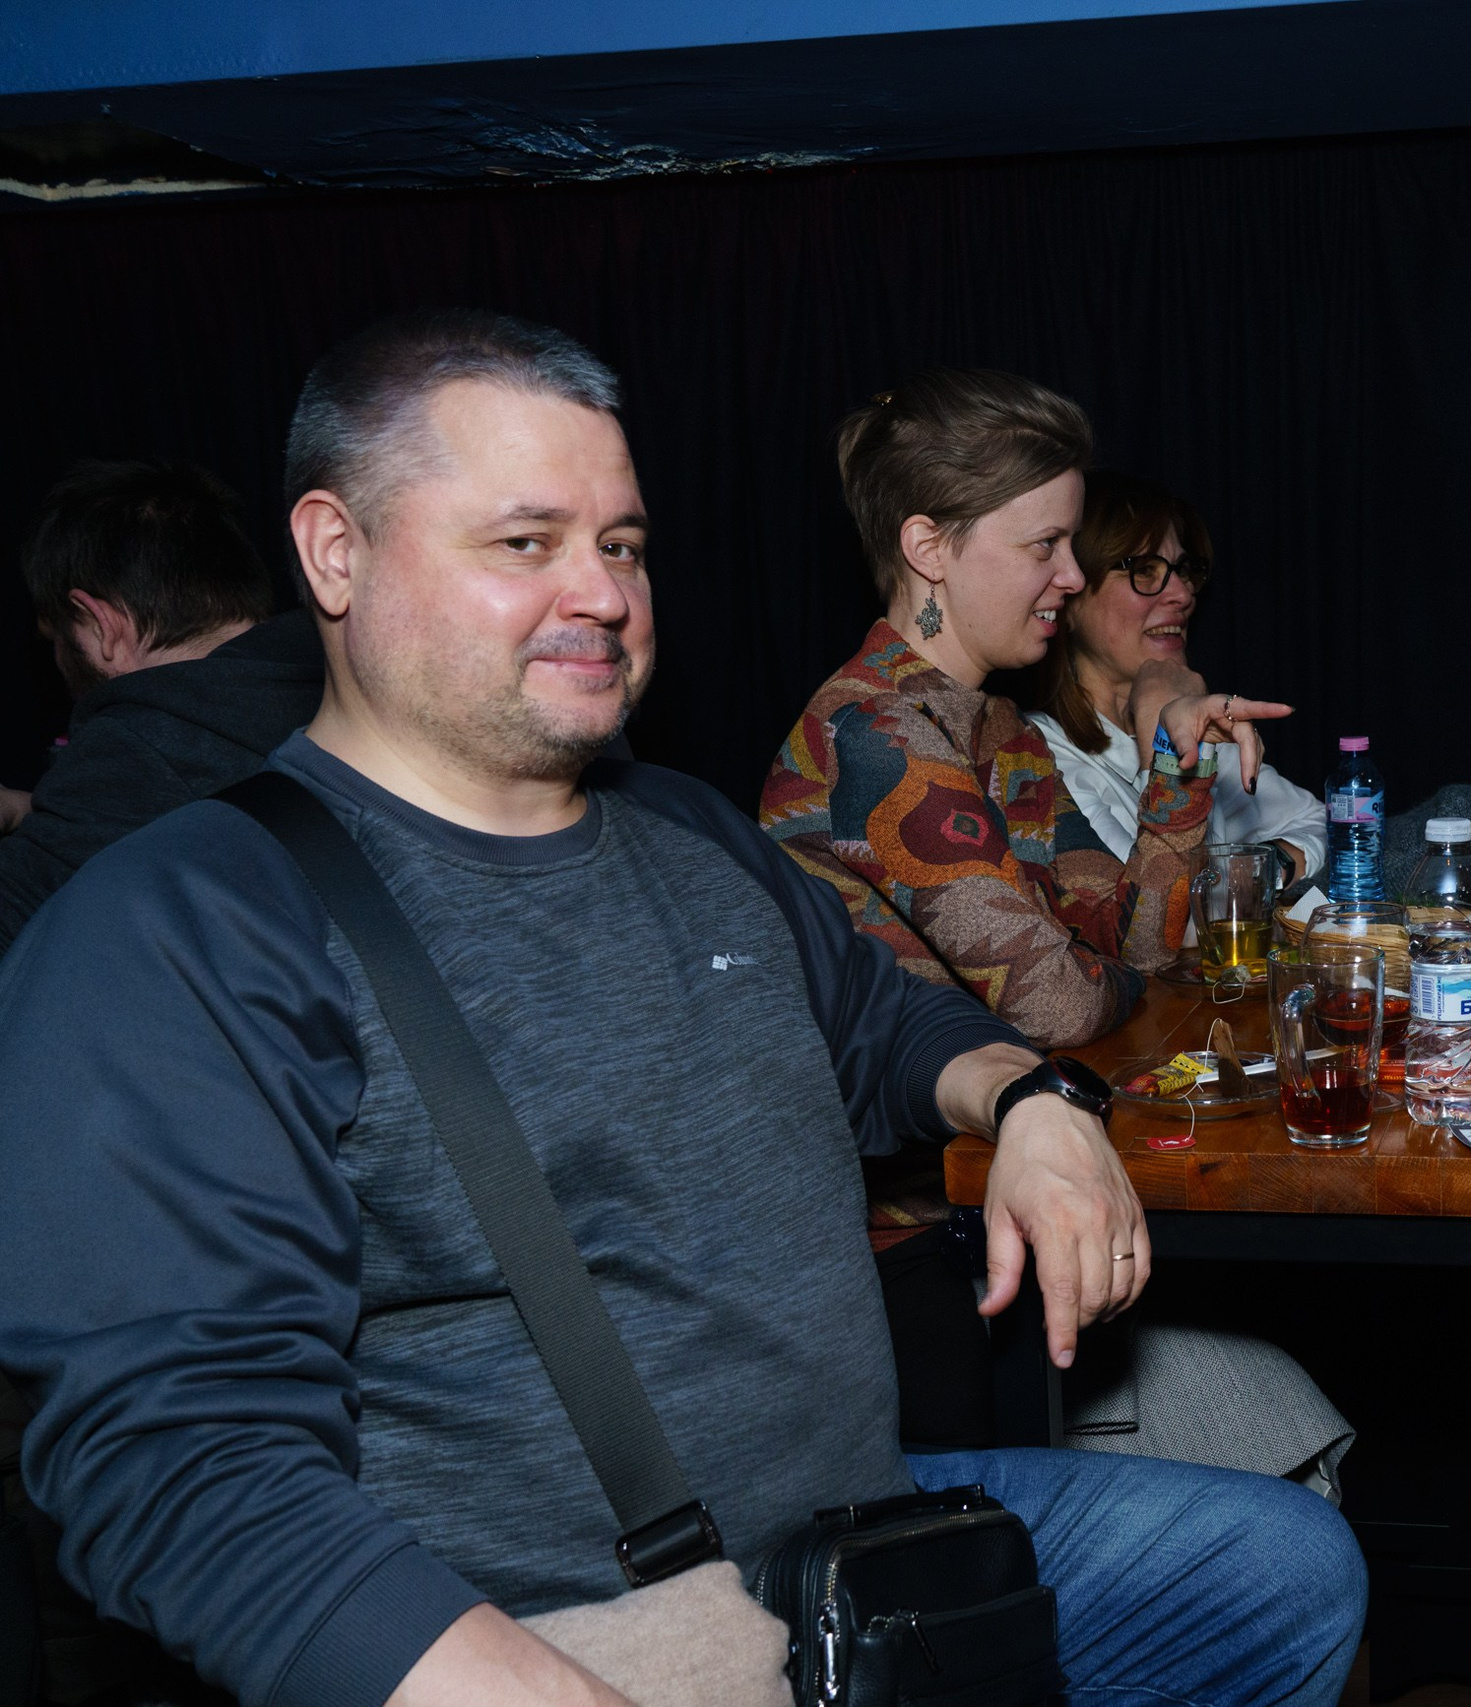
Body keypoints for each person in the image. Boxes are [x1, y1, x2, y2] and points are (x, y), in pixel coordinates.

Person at [0, 312, 1364, 1707]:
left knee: (1279, 1572)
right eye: (524, 542)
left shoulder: (688, 831)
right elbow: (173, 1459)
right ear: (334, 552)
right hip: (566, 1624)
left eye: (623, 544)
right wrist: (533, 1679)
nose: (600, 592)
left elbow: (885, 1028)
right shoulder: (181, 925)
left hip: (852, 1547)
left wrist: (1025, 1101)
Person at [761, 370, 1352, 1491]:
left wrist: (1173, 753)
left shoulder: (997, 727)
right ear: (929, 547)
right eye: (1046, 548)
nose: (1072, 578)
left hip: (1013, 1212)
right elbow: (1067, 1004)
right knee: (1276, 1471)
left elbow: (1142, 946)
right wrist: (1095, 973)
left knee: (1299, 1428)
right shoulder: (875, 734)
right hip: (906, 1270)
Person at [0, 460, 323, 954]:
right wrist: (32, 811)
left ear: (100, 623)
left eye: (57, 639)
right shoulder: (326, 674)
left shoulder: (147, 741)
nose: (59, 661)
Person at [1020, 468, 1327, 887]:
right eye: (1144, 569)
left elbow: (1319, 821)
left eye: (1184, 569)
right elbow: (1155, 924)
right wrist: (1160, 736)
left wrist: (1260, 870)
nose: (1182, 594)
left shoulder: (1202, 728)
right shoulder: (1039, 757)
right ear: (1070, 595)